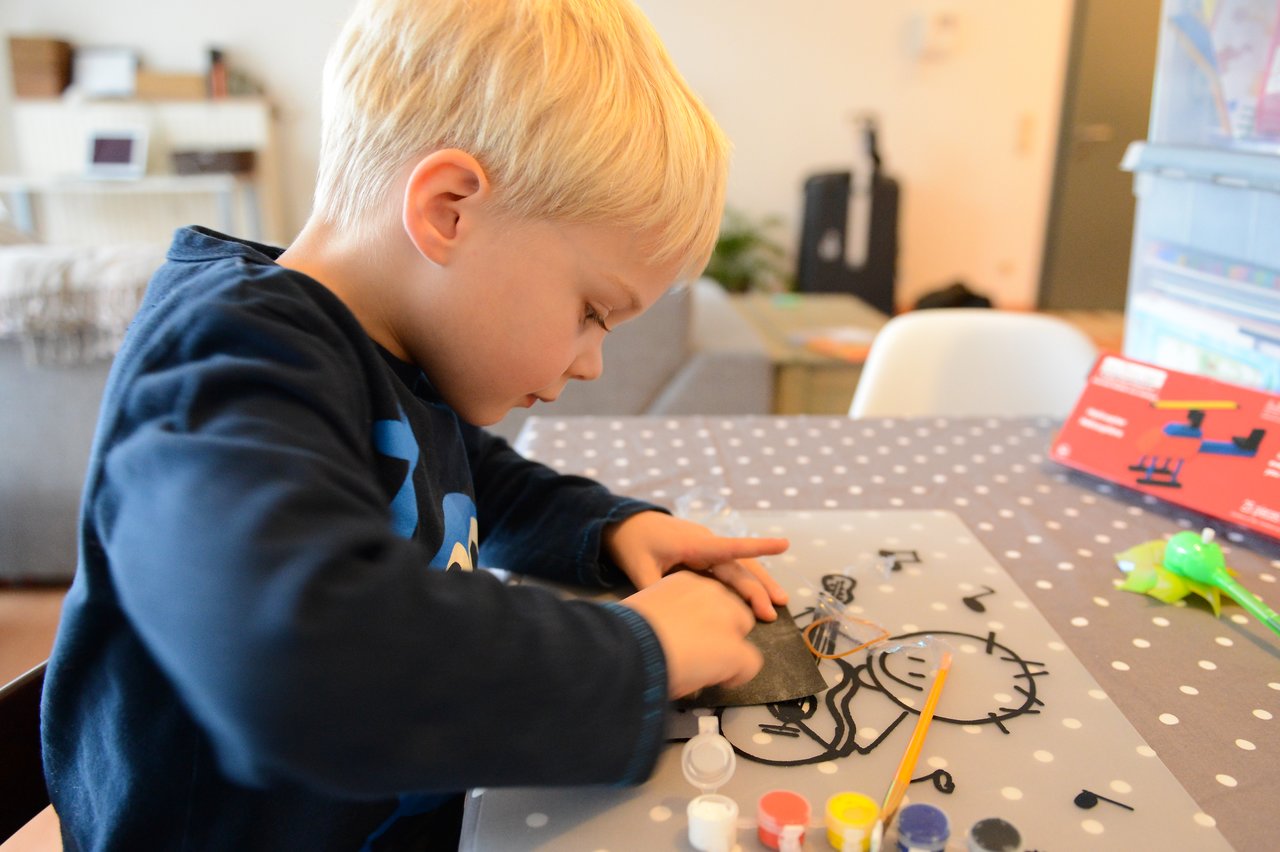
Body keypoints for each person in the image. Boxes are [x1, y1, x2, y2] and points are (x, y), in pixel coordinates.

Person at [41, 0, 791, 849]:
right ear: (449, 212)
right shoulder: (226, 365)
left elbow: (475, 480)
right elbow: (297, 661)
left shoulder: (393, 354)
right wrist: (637, 656)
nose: (591, 364)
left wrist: (613, 528)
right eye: (592, 311)